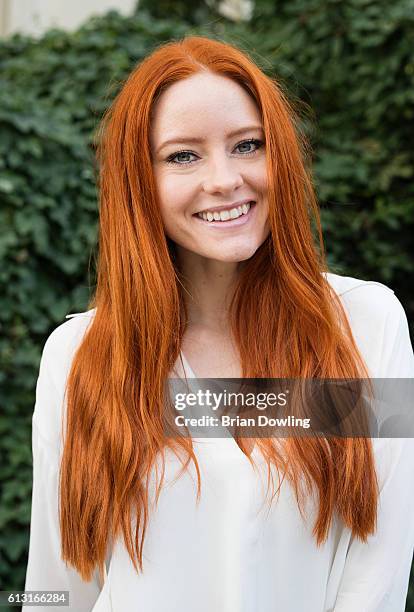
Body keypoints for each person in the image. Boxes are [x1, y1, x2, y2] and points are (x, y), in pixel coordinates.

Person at [23, 35, 414, 612]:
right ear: (140, 183)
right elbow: (57, 582)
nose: (225, 179)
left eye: (248, 145)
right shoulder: (79, 355)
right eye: (184, 155)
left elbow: (377, 567)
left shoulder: (362, 325)